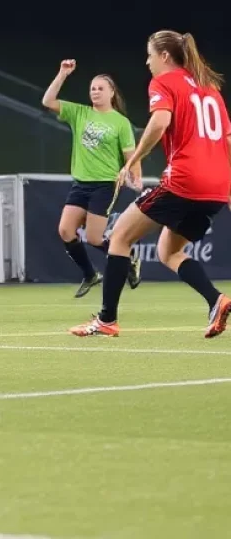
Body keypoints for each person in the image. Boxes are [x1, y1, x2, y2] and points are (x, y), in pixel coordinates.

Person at [71, 31, 231, 340]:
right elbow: (226, 139)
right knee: (167, 251)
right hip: (216, 186)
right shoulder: (209, 88)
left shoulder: (164, 83)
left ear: (166, 57)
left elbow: (159, 123)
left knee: (118, 237)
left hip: (185, 180)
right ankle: (216, 300)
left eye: (150, 55)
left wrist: (131, 161)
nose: (148, 61)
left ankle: (106, 320)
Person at [42, 59, 142, 297]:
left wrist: (136, 176)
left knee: (95, 238)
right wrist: (62, 74)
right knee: (66, 231)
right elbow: (47, 101)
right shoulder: (80, 113)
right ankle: (90, 274)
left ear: (111, 93)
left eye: (100, 88)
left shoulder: (120, 122)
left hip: (105, 184)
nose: (95, 92)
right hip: (81, 183)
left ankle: (129, 257)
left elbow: (132, 155)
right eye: (93, 89)